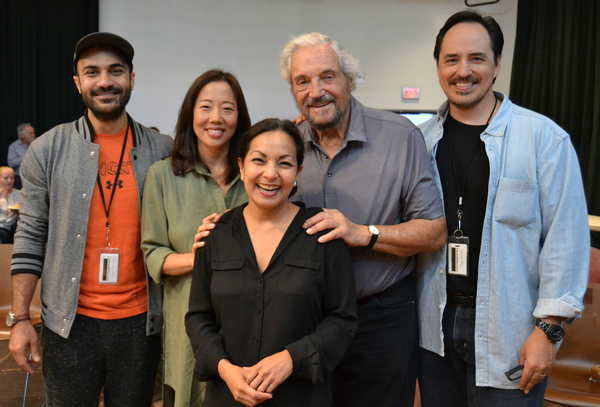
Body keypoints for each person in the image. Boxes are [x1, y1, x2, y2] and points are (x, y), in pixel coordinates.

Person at [416, 10, 589, 407]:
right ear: (439, 67)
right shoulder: (419, 142)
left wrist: (549, 332)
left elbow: (566, 242)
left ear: (497, 65)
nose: (464, 71)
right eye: (451, 60)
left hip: (511, 329)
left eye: (477, 58)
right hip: (433, 328)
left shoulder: (543, 139)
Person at [279, 33, 446, 407]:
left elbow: (434, 232)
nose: (316, 91)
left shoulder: (400, 137)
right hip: (306, 320)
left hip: (380, 318)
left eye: (328, 77)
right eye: (302, 82)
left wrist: (362, 233)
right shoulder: (285, 144)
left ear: (350, 80)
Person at [8, 32, 173, 406]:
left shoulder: (162, 151)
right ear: (77, 82)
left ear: (132, 78)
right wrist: (20, 320)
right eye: (92, 72)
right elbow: (30, 235)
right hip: (68, 325)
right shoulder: (48, 149)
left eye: (116, 71)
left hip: (141, 325)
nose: (104, 82)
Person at [186, 118, 358, 407]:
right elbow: (198, 317)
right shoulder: (215, 235)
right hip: (227, 396)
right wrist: (225, 369)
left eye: (284, 163)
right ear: (241, 167)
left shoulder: (322, 234)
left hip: (301, 396)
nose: (270, 174)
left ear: (298, 173)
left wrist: (291, 359)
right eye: (259, 160)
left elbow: (343, 320)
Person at [142, 69, 251, 407]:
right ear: (190, 114)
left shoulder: (257, 173)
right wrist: (201, 256)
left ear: (240, 117)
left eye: (227, 109)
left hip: (250, 317)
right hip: (189, 321)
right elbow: (153, 255)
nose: (216, 118)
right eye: (206, 107)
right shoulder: (163, 175)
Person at [7, 123, 35, 189]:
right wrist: (26, 157)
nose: (33, 135)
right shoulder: (14, 146)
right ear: (22, 135)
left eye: (33, 133)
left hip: (36, 178)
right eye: (30, 133)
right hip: (20, 179)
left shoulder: (36, 145)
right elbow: (11, 163)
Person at [0, 166, 21, 243]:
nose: (9, 181)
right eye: (6, 178)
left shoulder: (19, 194)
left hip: (10, 228)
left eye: (12, 178)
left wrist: (19, 213)